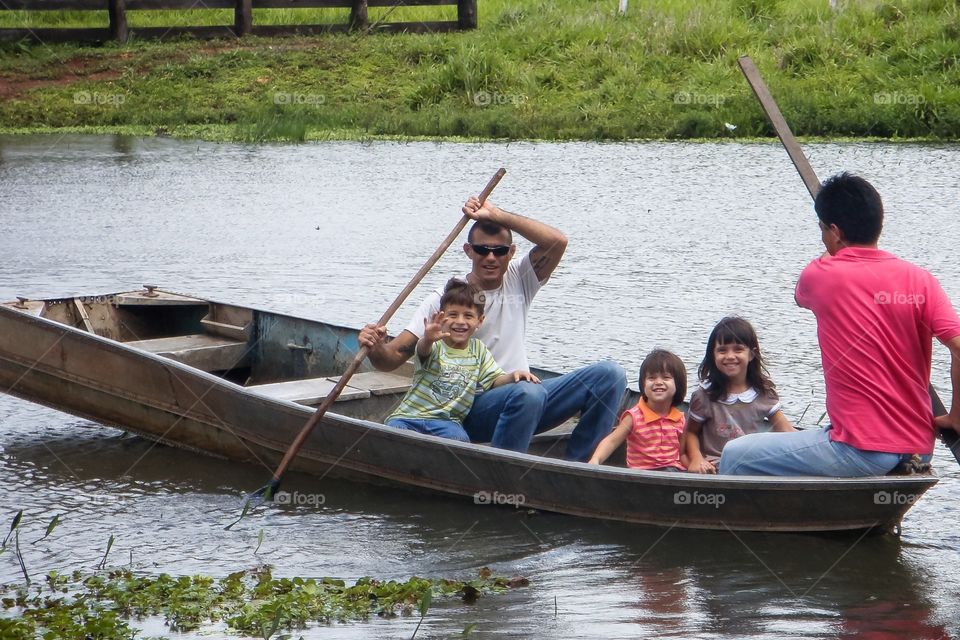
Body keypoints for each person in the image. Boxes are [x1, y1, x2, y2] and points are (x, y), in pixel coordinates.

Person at [719, 172, 960, 476]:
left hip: (861, 451)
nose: (822, 237)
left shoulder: (819, 276)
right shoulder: (921, 280)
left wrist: (836, 244)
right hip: (918, 449)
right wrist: (955, 415)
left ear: (834, 231)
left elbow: (805, 291)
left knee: (735, 455)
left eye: (823, 230)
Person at [359, 196, 626, 461]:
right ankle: (501, 474)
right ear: (468, 251)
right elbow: (391, 358)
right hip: (470, 411)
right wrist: (374, 346)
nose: (490, 258)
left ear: (510, 253)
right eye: (482, 250)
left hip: (526, 398)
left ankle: (580, 468)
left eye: (499, 251)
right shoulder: (445, 300)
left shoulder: (519, 279)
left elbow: (557, 242)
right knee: (528, 393)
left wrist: (498, 215)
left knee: (610, 375)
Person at [385, 278, 539, 441]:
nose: (460, 322)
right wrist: (428, 339)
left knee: (461, 440)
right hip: (410, 417)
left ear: (479, 321)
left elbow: (494, 379)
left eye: (468, 316)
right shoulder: (435, 344)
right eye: (453, 315)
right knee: (394, 430)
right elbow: (423, 350)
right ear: (442, 317)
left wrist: (514, 376)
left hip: (447, 422)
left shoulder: (478, 350)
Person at [684, 317, 794, 474]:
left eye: (738, 349)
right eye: (722, 350)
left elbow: (786, 431)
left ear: (751, 355)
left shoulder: (763, 394)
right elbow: (691, 433)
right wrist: (697, 459)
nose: (730, 356)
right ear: (713, 355)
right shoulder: (704, 395)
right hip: (714, 466)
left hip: (749, 465)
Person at [589, 349, 687, 471]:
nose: (658, 382)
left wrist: (696, 466)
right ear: (643, 384)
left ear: (678, 384)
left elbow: (682, 454)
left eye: (666, 377)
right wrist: (596, 459)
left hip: (672, 472)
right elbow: (612, 441)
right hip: (642, 475)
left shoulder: (680, 418)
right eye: (651, 378)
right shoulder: (634, 416)